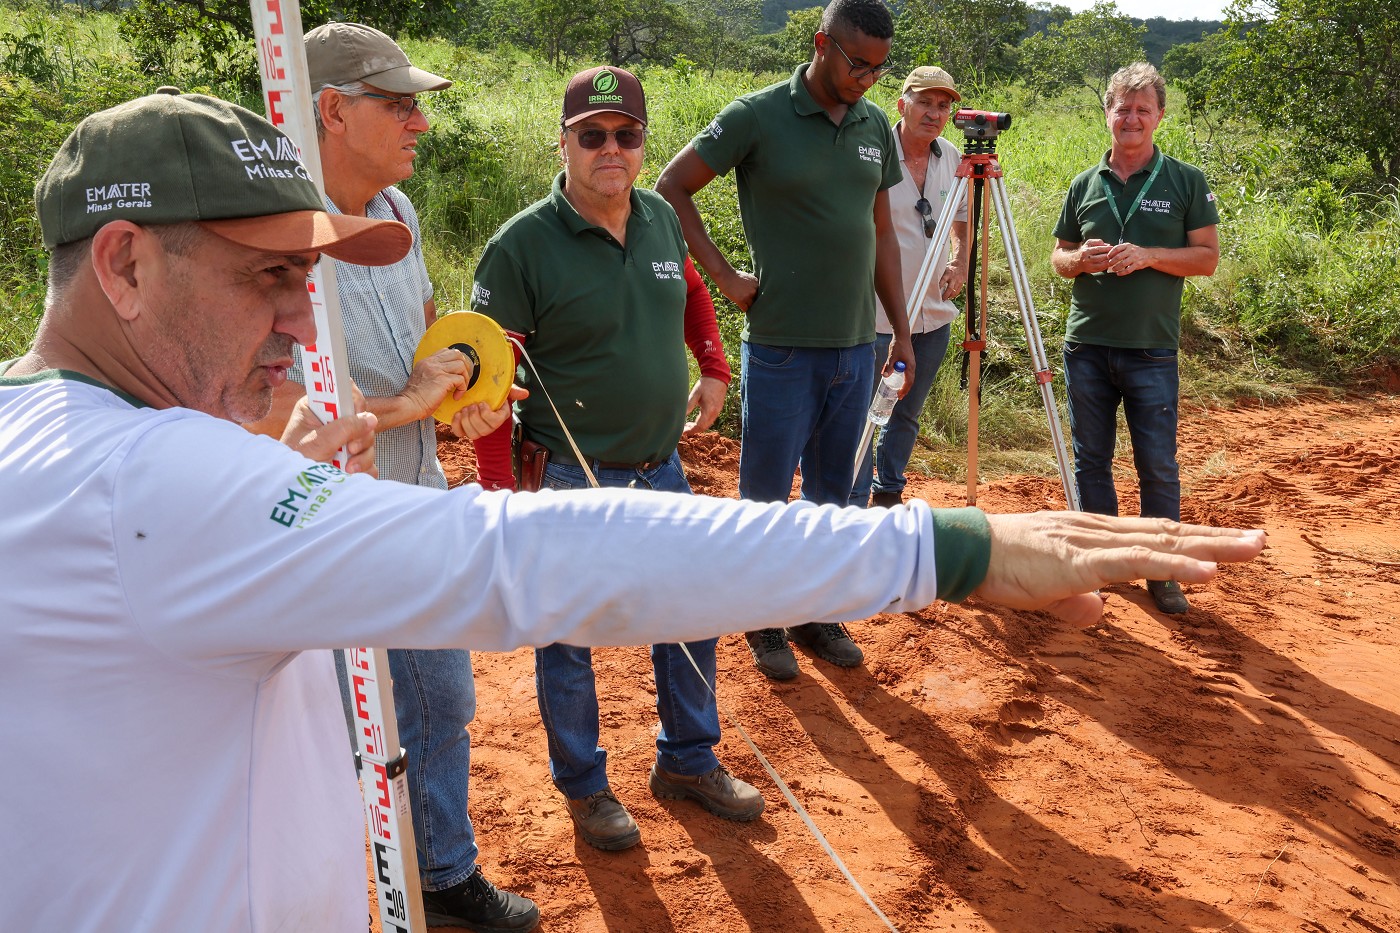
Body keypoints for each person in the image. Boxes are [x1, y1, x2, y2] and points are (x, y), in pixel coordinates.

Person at [2, 90, 1266, 933]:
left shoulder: (62, 442)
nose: (299, 320)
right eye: (271, 276)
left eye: (309, 275)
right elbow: (531, 557)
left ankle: (688, 754)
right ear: (123, 264)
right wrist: (938, 543)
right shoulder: (152, 491)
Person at [246, 23, 538, 931]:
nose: (418, 121)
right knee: (336, 727)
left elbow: (419, 346)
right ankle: (345, 892)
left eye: (418, 104)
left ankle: (443, 874)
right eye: (397, 104)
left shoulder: (400, 219)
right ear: (329, 110)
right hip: (323, 526)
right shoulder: (278, 238)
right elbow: (275, 406)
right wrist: (410, 401)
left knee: (441, 698)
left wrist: (460, 401)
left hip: (414, 505)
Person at [467, 65, 755, 853]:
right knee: (566, 636)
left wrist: (715, 367)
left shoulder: (661, 217)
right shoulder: (520, 247)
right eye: (591, 135)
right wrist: (499, 495)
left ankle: (688, 761)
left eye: (626, 135)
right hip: (567, 477)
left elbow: (693, 291)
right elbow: (491, 375)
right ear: (563, 143)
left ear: (641, 144)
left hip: (661, 463)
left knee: (691, 609)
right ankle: (586, 788)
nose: (611, 149)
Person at [657, 0, 914, 681]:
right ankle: (761, 617)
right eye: (858, 63)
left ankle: (813, 609)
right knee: (767, 495)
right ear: (821, 43)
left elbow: (883, 234)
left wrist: (900, 331)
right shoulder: (756, 116)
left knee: (838, 494)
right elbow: (672, 186)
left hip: (856, 346)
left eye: (880, 70)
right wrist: (723, 275)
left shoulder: (874, 128)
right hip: (782, 347)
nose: (868, 79)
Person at [1051, 61, 1221, 615]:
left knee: (1157, 462)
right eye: (1122, 108)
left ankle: (1162, 568)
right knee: (1090, 461)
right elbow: (1058, 258)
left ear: (1159, 117)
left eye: (1142, 109)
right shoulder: (1084, 184)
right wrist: (1079, 259)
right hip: (1087, 344)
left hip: (1150, 348)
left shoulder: (1185, 181)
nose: (1132, 119)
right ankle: (1102, 559)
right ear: (1107, 114)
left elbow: (1207, 258)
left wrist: (1149, 255)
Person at [850, 65, 970, 510]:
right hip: (878, 315)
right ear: (902, 104)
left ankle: (888, 492)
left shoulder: (953, 158)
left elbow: (962, 217)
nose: (933, 113)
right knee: (864, 413)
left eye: (942, 106)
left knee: (907, 412)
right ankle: (854, 497)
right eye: (924, 102)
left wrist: (960, 261)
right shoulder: (874, 152)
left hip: (933, 313)